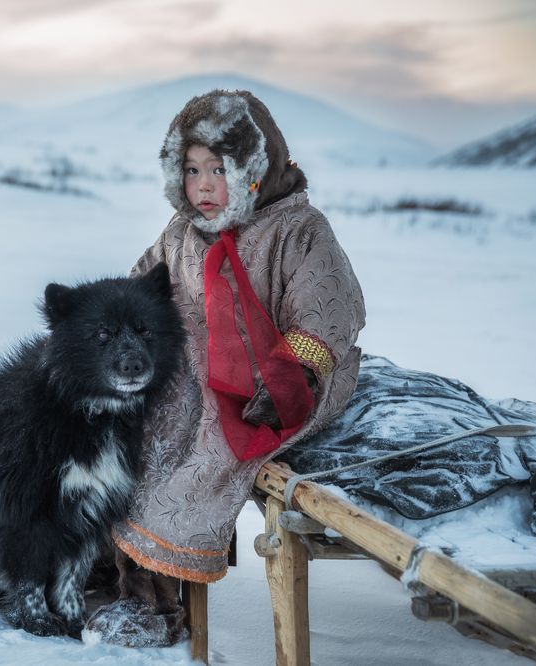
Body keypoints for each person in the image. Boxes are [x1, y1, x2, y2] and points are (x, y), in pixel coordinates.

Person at [84, 89, 366, 646]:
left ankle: (153, 598)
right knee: (135, 434)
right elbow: (140, 285)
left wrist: (293, 380)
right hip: (197, 372)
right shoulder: (183, 233)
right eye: (191, 170)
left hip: (283, 379)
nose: (205, 185)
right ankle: (100, 570)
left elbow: (328, 311)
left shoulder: (298, 230)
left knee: (209, 450)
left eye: (220, 168)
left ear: (256, 169)